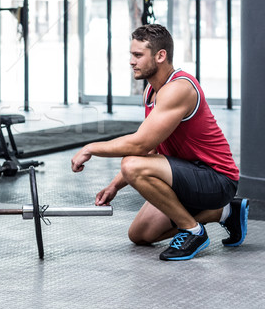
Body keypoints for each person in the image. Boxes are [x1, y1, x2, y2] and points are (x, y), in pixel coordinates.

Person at [71, 24, 248, 261]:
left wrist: (90, 148)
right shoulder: (152, 91)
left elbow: (139, 146)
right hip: (186, 176)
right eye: (131, 55)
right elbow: (153, 147)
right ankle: (226, 211)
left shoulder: (179, 89)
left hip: (216, 179)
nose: (132, 62)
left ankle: (193, 231)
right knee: (140, 234)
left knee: (132, 164)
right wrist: (114, 186)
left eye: (138, 55)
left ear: (160, 55)